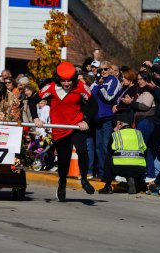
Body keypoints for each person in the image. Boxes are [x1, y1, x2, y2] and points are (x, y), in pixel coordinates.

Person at [29, 61, 98, 202]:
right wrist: (36, 118)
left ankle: (84, 179)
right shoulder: (51, 87)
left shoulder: (81, 87)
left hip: (75, 126)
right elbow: (32, 100)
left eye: (69, 81)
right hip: (60, 128)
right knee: (64, 160)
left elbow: (93, 105)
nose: (67, 84)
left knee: (82, 150)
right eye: (64, 81)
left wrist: (86, 120)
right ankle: (62, 183)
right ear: (59, 79)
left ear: (74, 79)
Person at [98, 118, 147, 195]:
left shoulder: (116, 134)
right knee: (139, 156)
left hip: (119, 168)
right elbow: (144, 149)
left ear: (119, 124)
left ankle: (107, 187)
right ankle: (136, 181)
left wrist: (114, 131)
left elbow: (109, 149)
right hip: (139, 169)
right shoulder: (139, 133)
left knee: (109, 156)